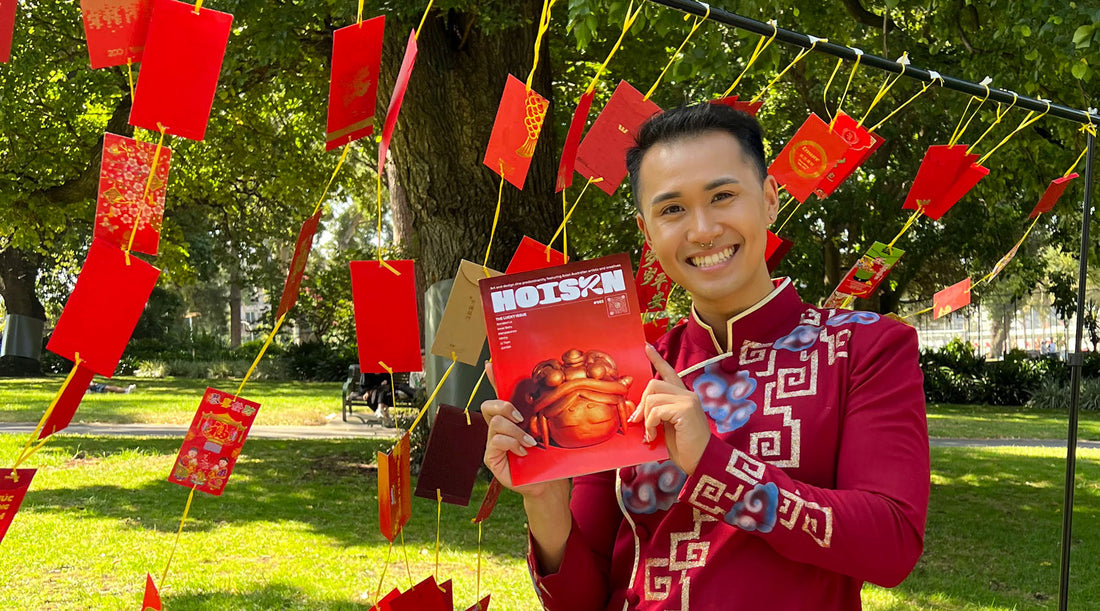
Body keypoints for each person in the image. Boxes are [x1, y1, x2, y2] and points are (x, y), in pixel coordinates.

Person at [482, 103, 930, 610]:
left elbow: (891, 546)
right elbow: (582, 601)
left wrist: (712, 463)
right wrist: (544, 501)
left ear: (768, 201)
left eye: (722, 196)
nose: (702, 229)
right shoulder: (626, 373)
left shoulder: (863, 348)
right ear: (647, 232)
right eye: (672, 209)